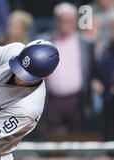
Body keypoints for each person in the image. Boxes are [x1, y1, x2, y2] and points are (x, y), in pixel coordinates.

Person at [41, 2, 95, 140]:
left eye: (69, 20)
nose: (65, 23)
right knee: (52, 141)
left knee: (78, 139)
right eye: (62, 19)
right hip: (52, 101)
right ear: (56, 20)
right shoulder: (45, 42)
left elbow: (93, 68)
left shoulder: (86, 43)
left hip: (77, 100)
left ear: (75, 21)